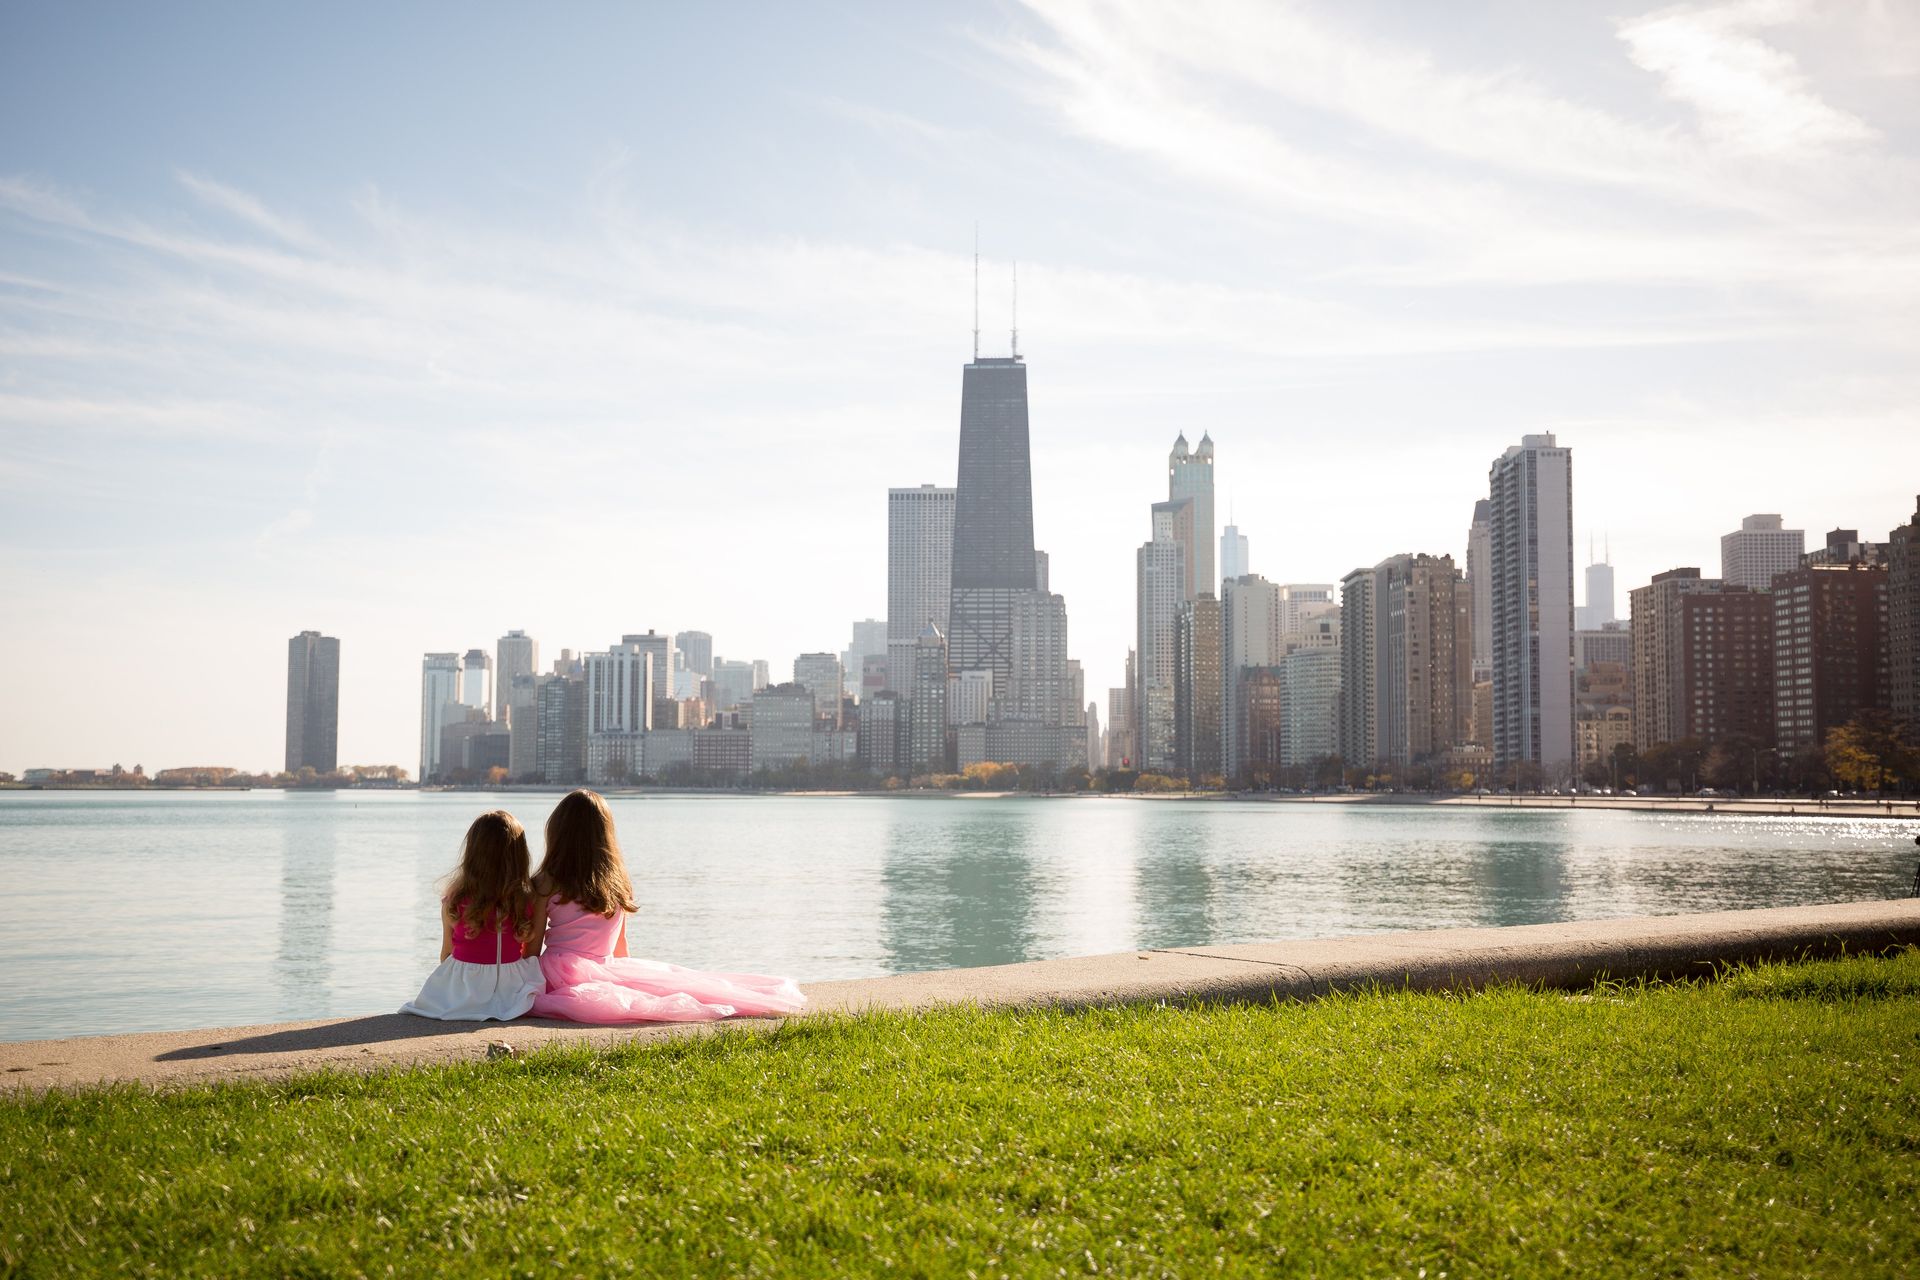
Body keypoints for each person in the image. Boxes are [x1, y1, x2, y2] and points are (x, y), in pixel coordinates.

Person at [529, 789, 807, 1022]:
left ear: (557, 832)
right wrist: (623, 975)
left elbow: (532, 947)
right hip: (607, 964)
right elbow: (620, 944)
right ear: (605, 834)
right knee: (667, 989)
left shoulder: (545, 882)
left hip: (559, 971)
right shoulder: (617, 881)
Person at [401, 810, 548, 1021]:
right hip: (510, 988)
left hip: (463, 990)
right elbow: (530, 954)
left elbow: (446, 954)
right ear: (519, 856)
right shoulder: (525, 901)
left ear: (472, 855)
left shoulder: (455, 900)